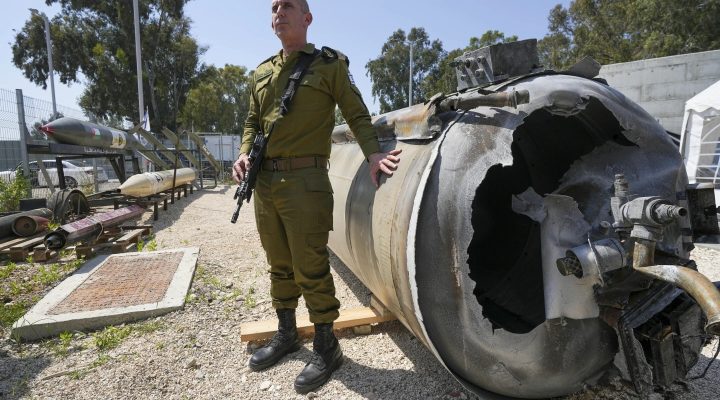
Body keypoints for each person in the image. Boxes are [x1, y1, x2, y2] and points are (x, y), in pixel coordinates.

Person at [232, 0, 401, 394]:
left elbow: (356, 113)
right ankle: (287, 332)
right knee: (279, 263)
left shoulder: (329, 65)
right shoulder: (260, 73)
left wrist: (373, 153)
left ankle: (327, 346)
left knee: (310, 265)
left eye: (288, 5)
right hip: (265, 184)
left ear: (307, 19)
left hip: (306, 181)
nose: (279, 12)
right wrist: (243, 152)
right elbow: (252, 121)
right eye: (274, 7)